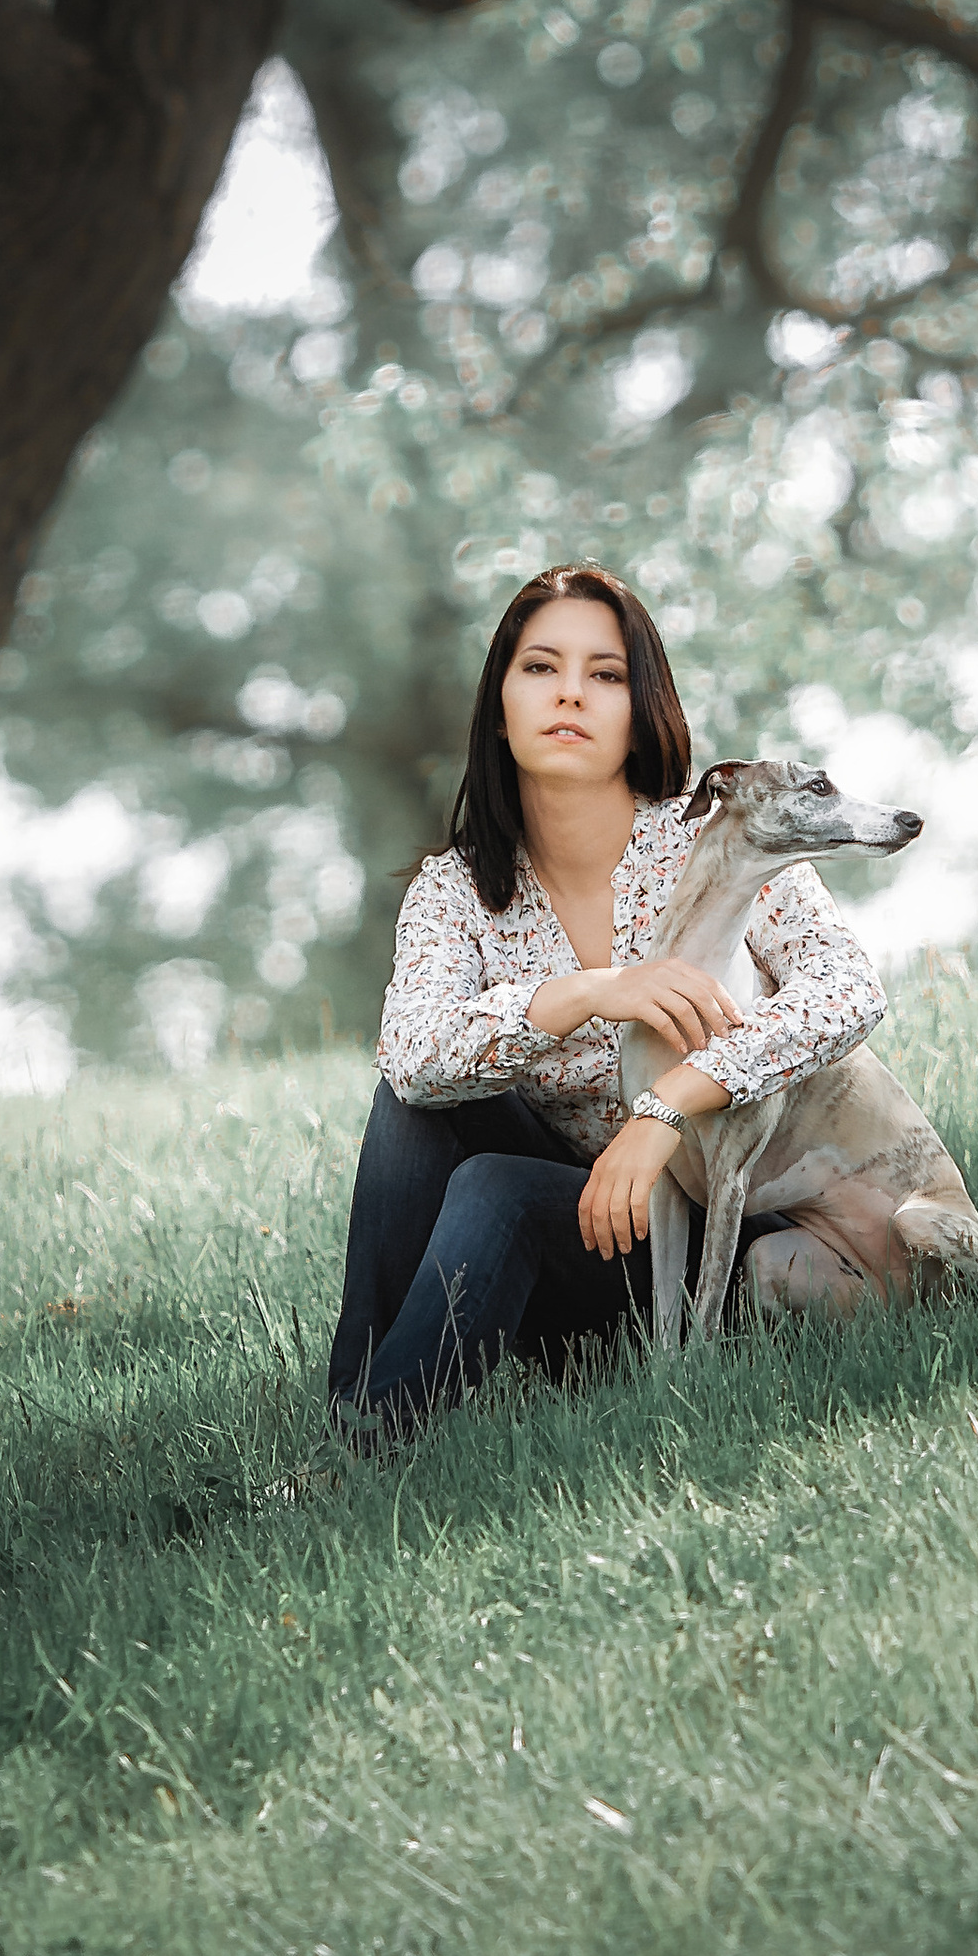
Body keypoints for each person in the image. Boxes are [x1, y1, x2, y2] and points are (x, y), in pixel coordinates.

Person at [327, 561, 891, 1436]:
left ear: (641, 708)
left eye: (606, 674)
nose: (570, 695)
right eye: (540, 667)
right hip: (570, 1240)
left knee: (499, 1189)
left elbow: (847, 989)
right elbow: (410, 1055)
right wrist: (590, 991)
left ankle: (374, 1438)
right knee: (415, 1107)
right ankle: (355, 1419)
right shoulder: (456, 891)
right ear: (501, 702)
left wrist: (669, 1105)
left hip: (719, 1239)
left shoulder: (718, 838)